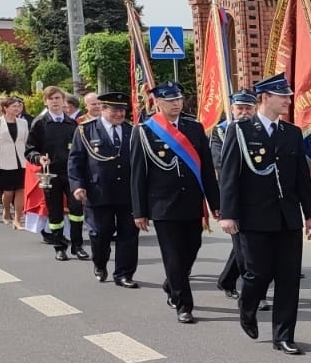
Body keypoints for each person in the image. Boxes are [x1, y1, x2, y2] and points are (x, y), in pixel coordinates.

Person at [216, 73, 311, 354]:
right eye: (282, 95)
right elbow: (229, 176)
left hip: (287, 217)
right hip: (254, 217)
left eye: (287, 95)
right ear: (265, 98)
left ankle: (283, 336)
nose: (288, 100)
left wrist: (310, 214)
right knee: (257, 274)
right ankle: (247, 306)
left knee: (288, 278)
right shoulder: (241, 131)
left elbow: (301, 179)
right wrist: (228, 214)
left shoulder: (292, 133)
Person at [132, 80, 220, 325]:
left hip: (192, 202)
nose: (176, 104)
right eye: (170, 100)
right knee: (173, 256)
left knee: (191, 249)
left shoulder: (194, 127)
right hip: (163, 205)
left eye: (179, 99)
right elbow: (138, 174)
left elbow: (206, 168)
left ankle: (172, 282)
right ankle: (184, 305)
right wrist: (139, 210)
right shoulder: (145, 130)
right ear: (157, 102)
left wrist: (215, 202)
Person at [67, 92, 139, 286]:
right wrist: (78, 185)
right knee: (100, 234)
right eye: (115, 110)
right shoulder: (85, 130)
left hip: (127, 192)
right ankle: (100, 263)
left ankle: (124, 274)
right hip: (98, 191)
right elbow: (75, 161)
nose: (119, 114)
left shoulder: (132, 131)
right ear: (103, 109)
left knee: (129, 235)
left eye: (122, 110)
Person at [26, 85, 86, 261]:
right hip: (51, 174)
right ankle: (59, 246)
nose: (55, 102)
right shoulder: (40, 123)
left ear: (63, 101)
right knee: (55, 212)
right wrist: (39, 158)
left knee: (76, 210)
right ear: (46, 101)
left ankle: (77, 245)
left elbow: (78, 149)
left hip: (71, 174)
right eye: (51, 99)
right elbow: (29, 150)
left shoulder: (71, 123)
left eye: (58, 98)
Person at [212, 91, 258, 298]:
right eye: (240, 108)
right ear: (232, 109)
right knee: (243, 247)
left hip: (256, 197)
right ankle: (256, 292)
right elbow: (219, 162)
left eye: (248, 108)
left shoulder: (260, 130)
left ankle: (227, 280)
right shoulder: (220, 131)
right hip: (232, 195)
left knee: (244, 245)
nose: (244, 112)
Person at [0, 95, 30, 227]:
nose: (17, 108)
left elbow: (26, 142)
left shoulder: (23, 122)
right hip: (4, 162)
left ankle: (17, 219)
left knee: (21, 190)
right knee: (8, 191)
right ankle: (6, 209)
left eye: (18, 106)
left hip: (21, 161)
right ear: (5, 108)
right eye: (14, 106)